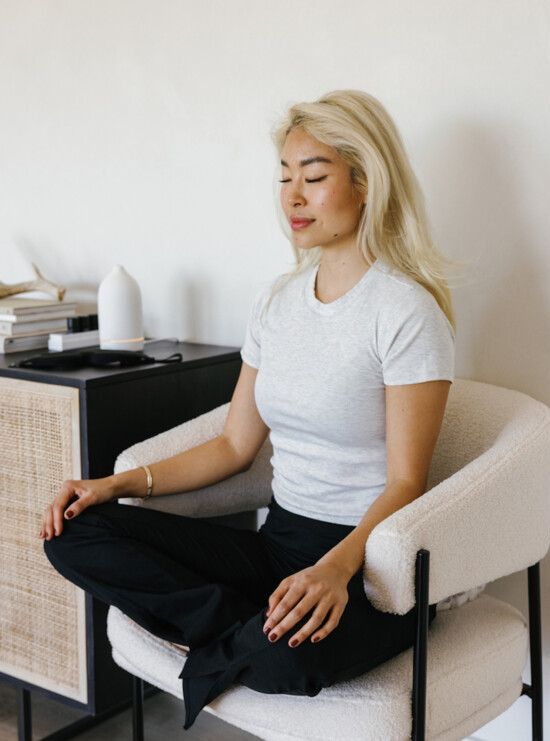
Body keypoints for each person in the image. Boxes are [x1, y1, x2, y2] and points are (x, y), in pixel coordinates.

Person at [41, 89, 455, 730]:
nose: (291, 196)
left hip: (365, 566)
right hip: (276, 545)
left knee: (282, 664)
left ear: (367, 181)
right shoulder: (276, 303)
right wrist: (117, 484)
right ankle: (246, 627)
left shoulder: (406, 313)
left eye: (314, 178)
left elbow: (408, 482)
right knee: (74, 531)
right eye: (285, 177)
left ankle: (244, 636)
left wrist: (333, 571)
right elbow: (235, 446)